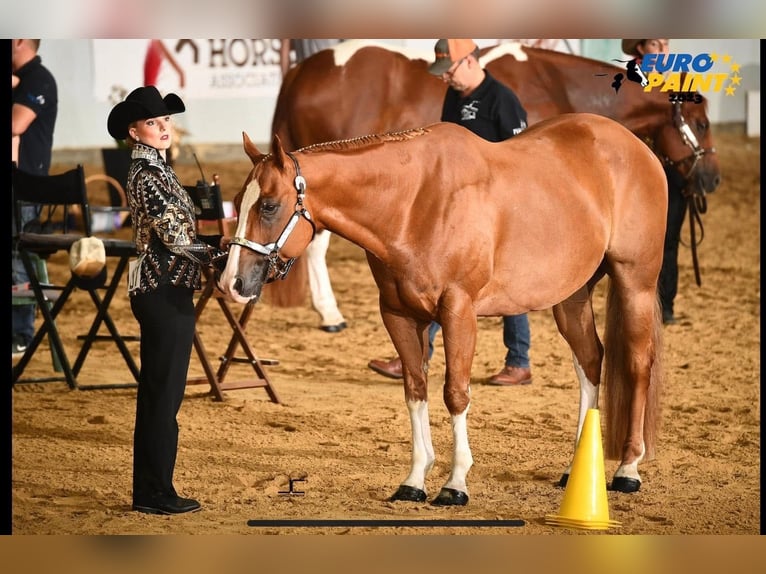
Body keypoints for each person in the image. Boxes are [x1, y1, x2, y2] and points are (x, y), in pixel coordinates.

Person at [367, 39, 533, 386]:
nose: (446, 79)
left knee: (508, 281)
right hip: (459, 208)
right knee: (443, 282)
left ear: (471, 61)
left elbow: (521, 154)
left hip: (498, 207)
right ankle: (417, 353)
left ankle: (519, 361)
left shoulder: (502, 99)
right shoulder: (455, 98)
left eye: (450, 70)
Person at [107, 86, 230, 515]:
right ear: (133, 131)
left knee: (161, 393)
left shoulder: (156, 170)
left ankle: (154, 489)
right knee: (163, 395)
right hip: (162, 290)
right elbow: (176, 237)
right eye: (153, 122)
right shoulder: (149, 174)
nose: (163, 128)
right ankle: (154, 493)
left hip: (164, 289)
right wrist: (217, 254)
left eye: (166, 121)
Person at [622, 39, 683, 324]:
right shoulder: (627, 81)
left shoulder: (678, 81)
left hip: (669, 172)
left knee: (668, 241)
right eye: (656, 45)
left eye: (666, 45)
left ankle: (665, 304)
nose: (663, 51)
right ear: (641, 49)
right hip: (633, 176)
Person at [12, 39, 58, 358]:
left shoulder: (38, 79)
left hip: (24, 187)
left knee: (17, 254)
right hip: (19, 184)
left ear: (18, 40)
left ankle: (20, 333)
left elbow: (16, 124)